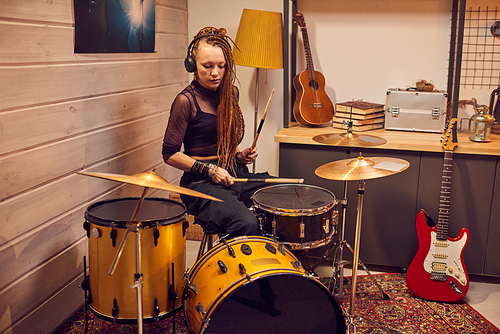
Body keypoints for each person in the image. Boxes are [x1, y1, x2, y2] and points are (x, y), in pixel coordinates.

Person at [162, 27, 274, 239]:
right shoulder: (185, 101)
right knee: (246, 222)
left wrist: (239, 156)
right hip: (200, 184)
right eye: (207, 66)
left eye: (221, 66)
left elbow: (225, 139)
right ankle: (235, 270)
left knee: (286, 193)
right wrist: (210, 170)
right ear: (192, 65)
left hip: (233, 174)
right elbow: (169, 154)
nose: (215, 73)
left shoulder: (232, 92)